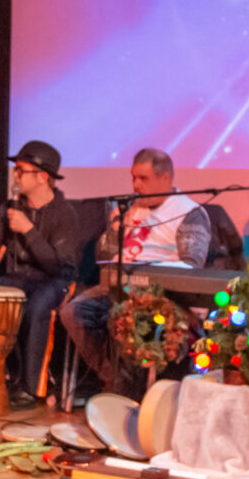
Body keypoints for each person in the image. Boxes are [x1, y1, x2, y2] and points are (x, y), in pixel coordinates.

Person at [61, 148, 209, 399]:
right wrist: (116, 228)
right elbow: (104, 256)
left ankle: (124, 392)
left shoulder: (189, 212)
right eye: (133, 178)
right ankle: (114, 381)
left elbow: (192, 265)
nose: (135, 185)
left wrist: (146, 276)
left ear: (165, 179)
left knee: (120, 319)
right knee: (73, 312)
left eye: (143, 179)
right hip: (119, 285)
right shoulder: (131, 209)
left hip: (159, 295)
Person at [0, 139, 82, 409]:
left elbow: (61, 267)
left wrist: (29, 232)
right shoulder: (9, 208)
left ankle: (34, 386)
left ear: (43, 177)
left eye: (21, 171)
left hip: (55, 281)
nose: (15, 176)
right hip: (18, 278)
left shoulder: (64, 214)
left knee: (38, 308)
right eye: (16, 170)